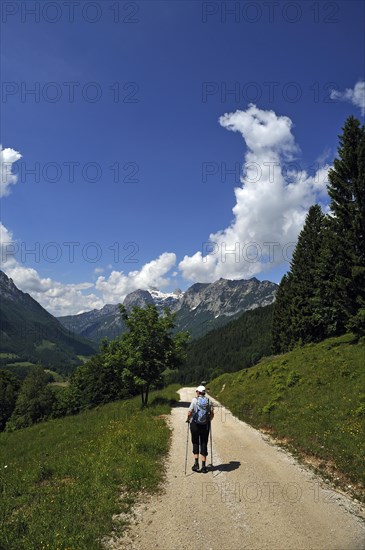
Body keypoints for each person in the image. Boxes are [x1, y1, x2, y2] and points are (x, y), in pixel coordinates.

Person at [187, 385, 214, 473]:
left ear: (198, 392)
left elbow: (190, 412)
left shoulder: (194, 400)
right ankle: (203, 466)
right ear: (204, 392)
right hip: (205, 425)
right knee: (204, 443)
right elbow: (212, 414)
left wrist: (188, 419)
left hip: (195, 425)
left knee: (195, 442)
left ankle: (196, 464)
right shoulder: (209, 401)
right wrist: (209, 419)